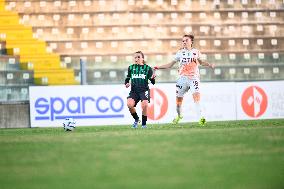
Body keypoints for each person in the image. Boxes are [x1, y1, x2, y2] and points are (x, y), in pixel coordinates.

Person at [154, 34, 215, 126]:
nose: (184, 42)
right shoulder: (180, 53)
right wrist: (158, 67)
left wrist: (209, 64)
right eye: (183, 41)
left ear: (191, 42)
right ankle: (179, 116)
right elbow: (170, 65)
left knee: (196, 98)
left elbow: (201, 62)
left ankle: (201, 118)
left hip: (194, 78)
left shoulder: (196, 52)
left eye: (186, 40)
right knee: (178, 103)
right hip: (182, 79)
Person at [125, 51, 156, 128]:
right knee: (129, 105)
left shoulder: (148, 68)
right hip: (134, 91)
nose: (137, 58)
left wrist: (152, 78)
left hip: (144, 90)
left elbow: (153, 82)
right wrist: (126, 83)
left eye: (139, 57)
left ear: (142, 58)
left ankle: (144, 125)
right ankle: (136, 119)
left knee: (145, 105)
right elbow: (128, 78)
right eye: (135, 57)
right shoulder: (131, 67)